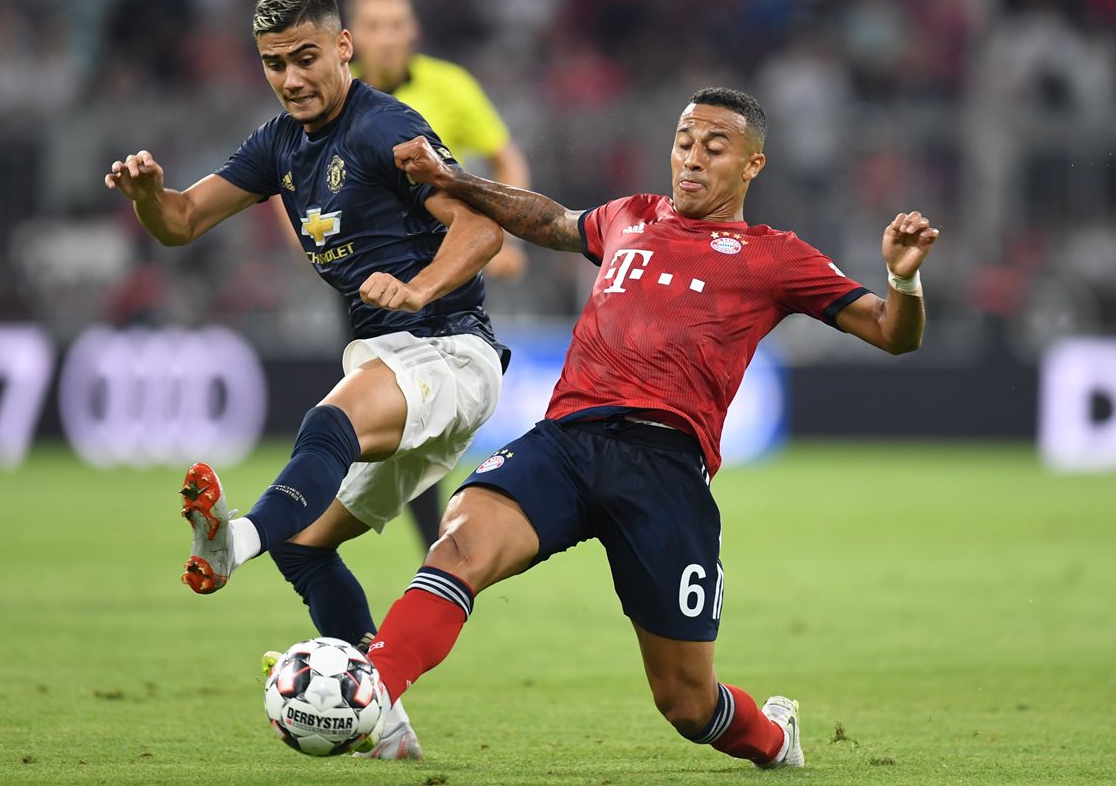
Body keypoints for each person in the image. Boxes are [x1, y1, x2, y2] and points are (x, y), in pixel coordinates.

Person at [359, 87, 939, 769]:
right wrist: (452, 178)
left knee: (687, 704)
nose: (692, 159)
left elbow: (892, 333)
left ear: (753, 165)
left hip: (665, 468)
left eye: (714, 148)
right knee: (459, 547)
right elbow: (549, 219)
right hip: (569, 438)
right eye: (684, 143)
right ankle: (369, 696)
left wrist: (903, 280)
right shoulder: (629, 216)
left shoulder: (775, 256)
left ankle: (776, 740)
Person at [103, 0, 512, 761]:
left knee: (327, 423)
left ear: (342, 47)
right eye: (273, 63)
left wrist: (418, 287)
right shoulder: (279, 144)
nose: (290, 78)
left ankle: (235, 541)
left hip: (450, 351)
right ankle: (386, 724)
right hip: (393, 362)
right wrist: (149, 197)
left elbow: (482, 227)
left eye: (305, 57)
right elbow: (181, 221)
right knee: (305, 544)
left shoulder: (387, 127)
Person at [346, 0, 531, 547]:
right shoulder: (333, 97)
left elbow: (505, 158)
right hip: (362, 284)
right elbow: (290, 185)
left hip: (440, 285)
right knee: (379, 421)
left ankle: (427, 544)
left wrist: (509, 237)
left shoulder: (450, 86)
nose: (386, 37)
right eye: (374, 26)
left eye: (396, 25)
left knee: (416, 419)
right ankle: (417, 543)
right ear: (351, 37)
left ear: (413, 31)